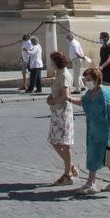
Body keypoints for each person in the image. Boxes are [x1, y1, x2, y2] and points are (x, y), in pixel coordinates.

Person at [73, 66, 110, 194]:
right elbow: (83, 102)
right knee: (106, 155)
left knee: (97, 154)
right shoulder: (90, 93)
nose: (86, 82)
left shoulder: (105, 93)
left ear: (96, 79)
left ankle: (91, 183)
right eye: (85, 79)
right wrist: (68, 99)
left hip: (104, 130)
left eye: (88, 79)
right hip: (93, 130)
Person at [46, 51, 76, 184]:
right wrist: (50, 98)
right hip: (57, 111)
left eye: (52, 61)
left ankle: (67, 175)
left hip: (62, 112)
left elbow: (65, 95)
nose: (51, 64)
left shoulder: (64, 74)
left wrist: (53, 101)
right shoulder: (59, 73)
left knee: (64, 143)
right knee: (55, 141)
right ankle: (71, 166)